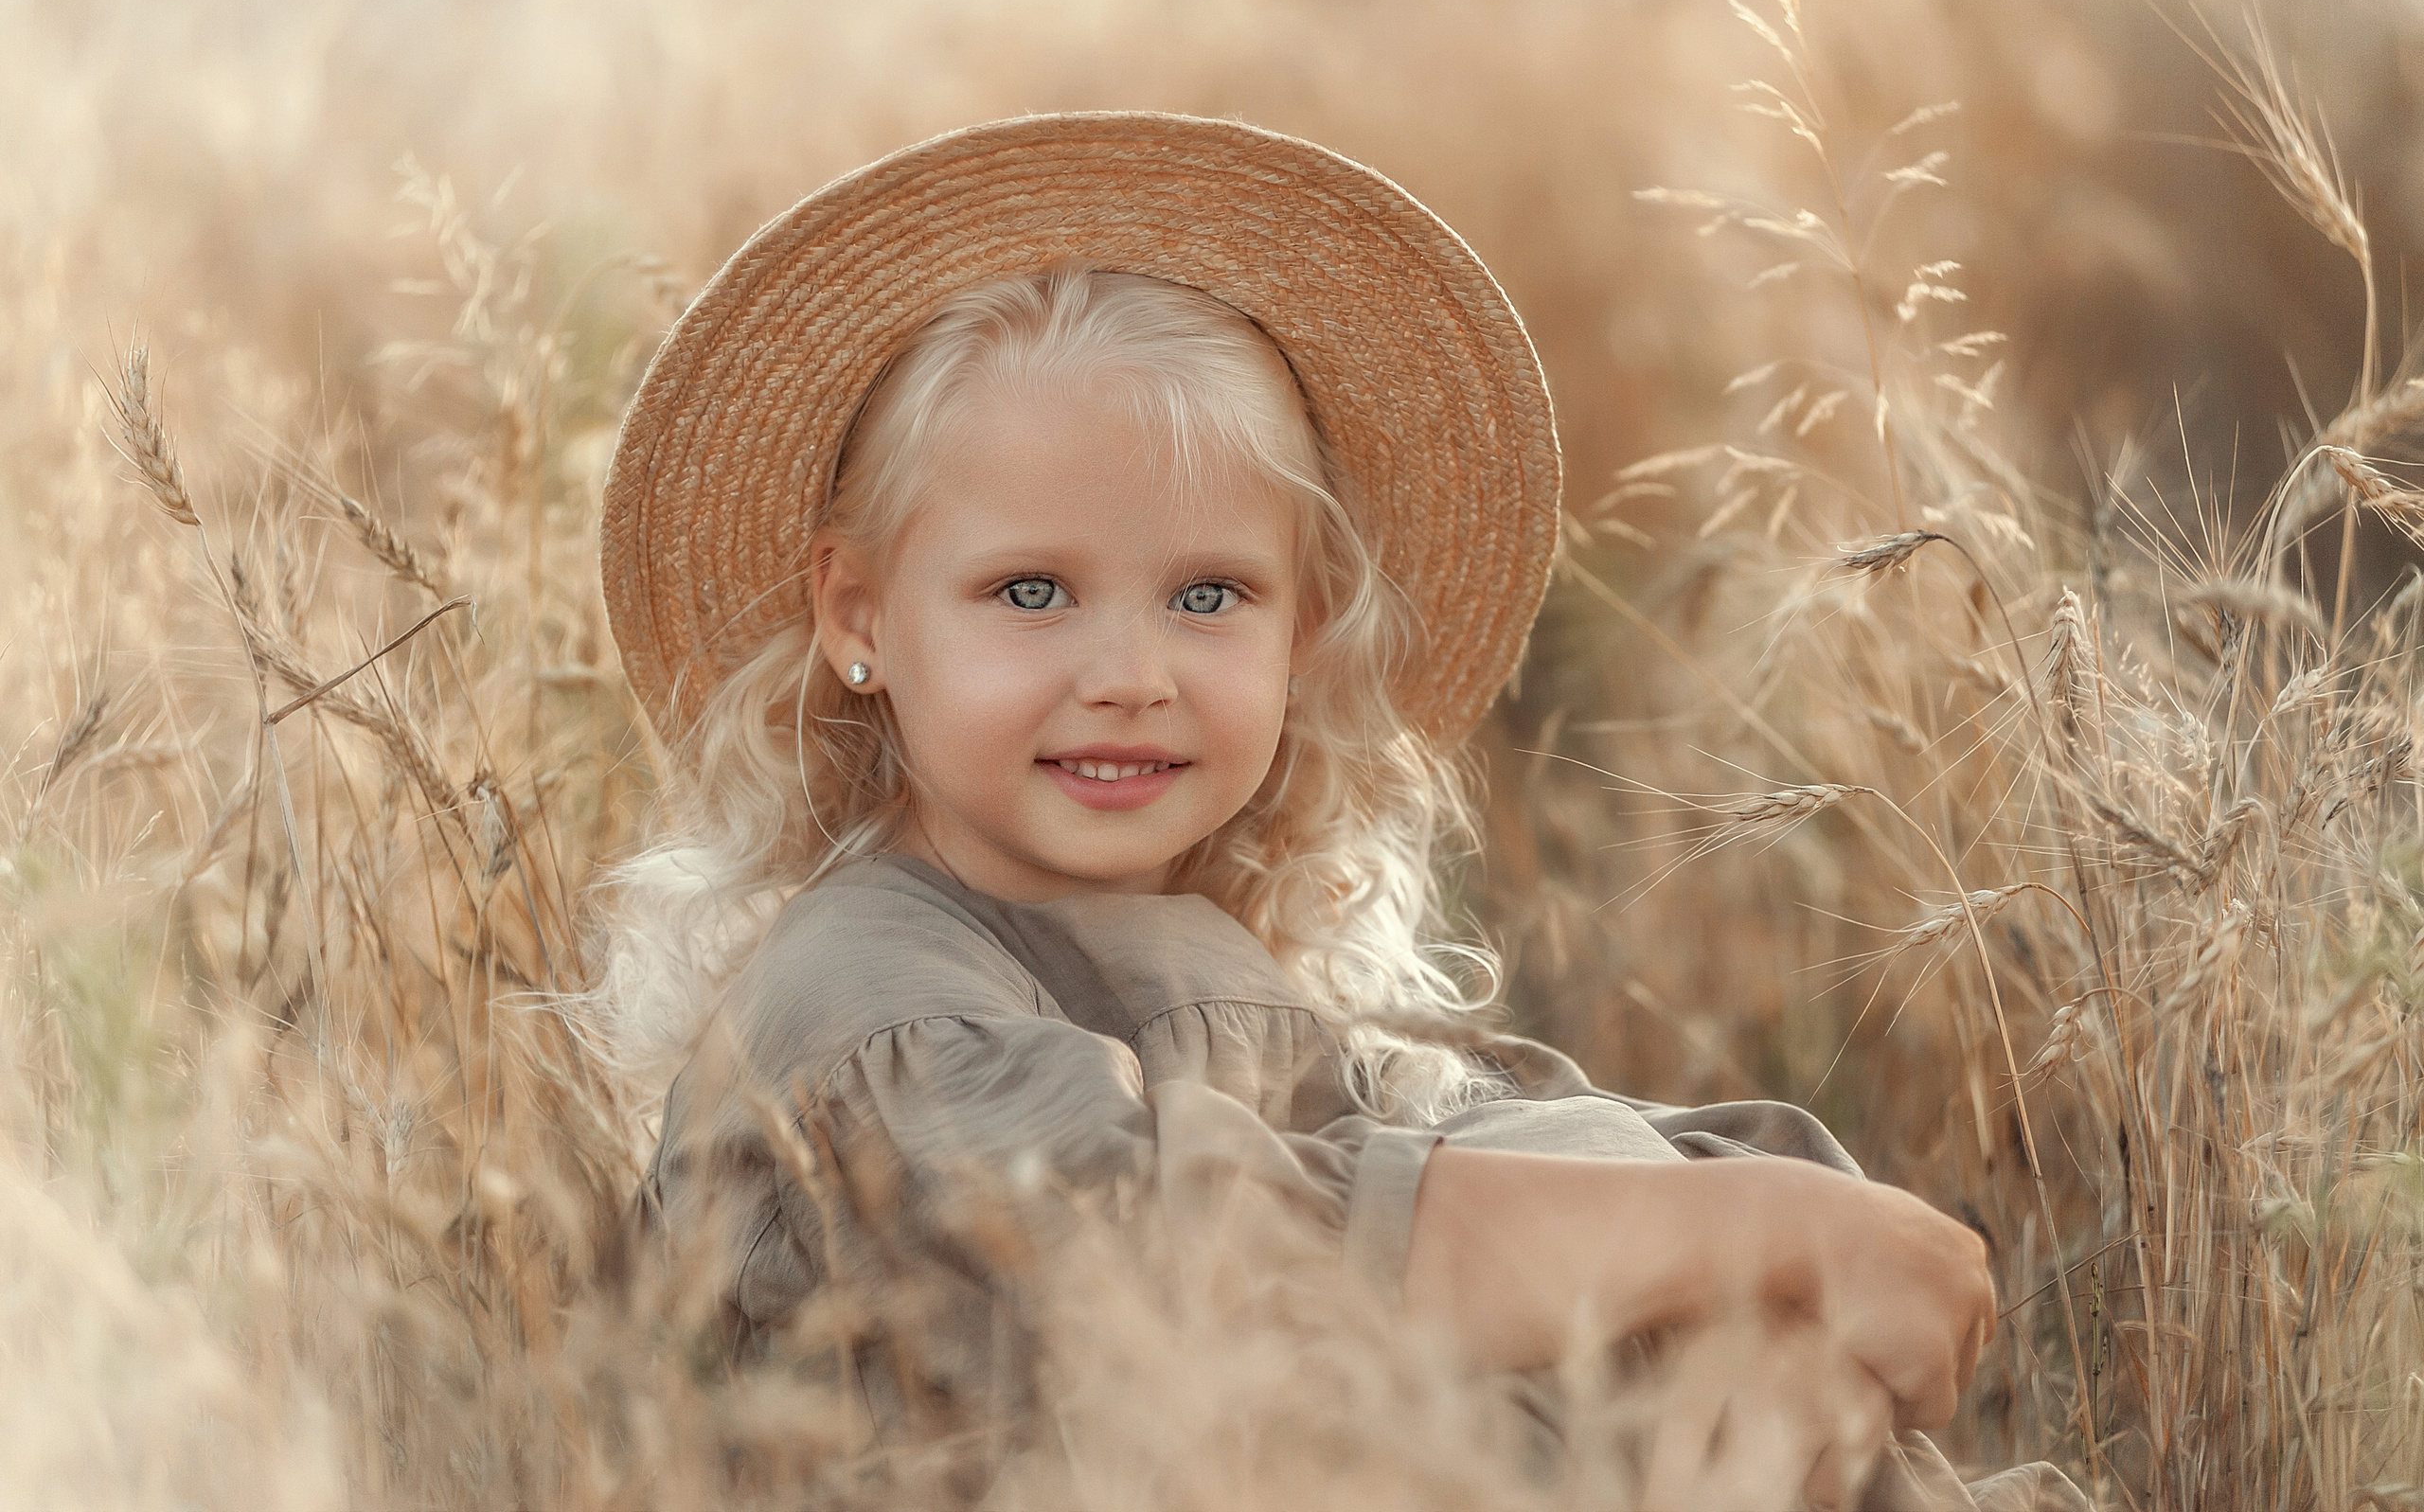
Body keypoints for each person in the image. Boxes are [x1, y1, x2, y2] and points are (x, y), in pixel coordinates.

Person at [591, 113, 2086, 1512]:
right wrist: (1767, 1240)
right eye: (1028, 592)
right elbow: (1183, 1260)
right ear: (858, 611)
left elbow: (1560, 1173)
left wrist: (1775, 1323)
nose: (1131, 676)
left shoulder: (1215, 975)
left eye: (1209, 595)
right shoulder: (857, 1001)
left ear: (1305, 631)